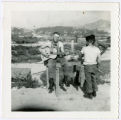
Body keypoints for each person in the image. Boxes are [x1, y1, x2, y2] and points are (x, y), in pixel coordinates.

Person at [81, 35, 101, 99]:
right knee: (93, 79)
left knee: (88, 80)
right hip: (94, 65)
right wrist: (98, 66)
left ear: (88, 41)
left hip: (87, 65)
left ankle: (89, 93)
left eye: (86, 41)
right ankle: (94, 91)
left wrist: (82, 59)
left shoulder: (84, 48)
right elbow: (99, 59)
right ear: (93, 41)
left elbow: (81, 56)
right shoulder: (97, 49)